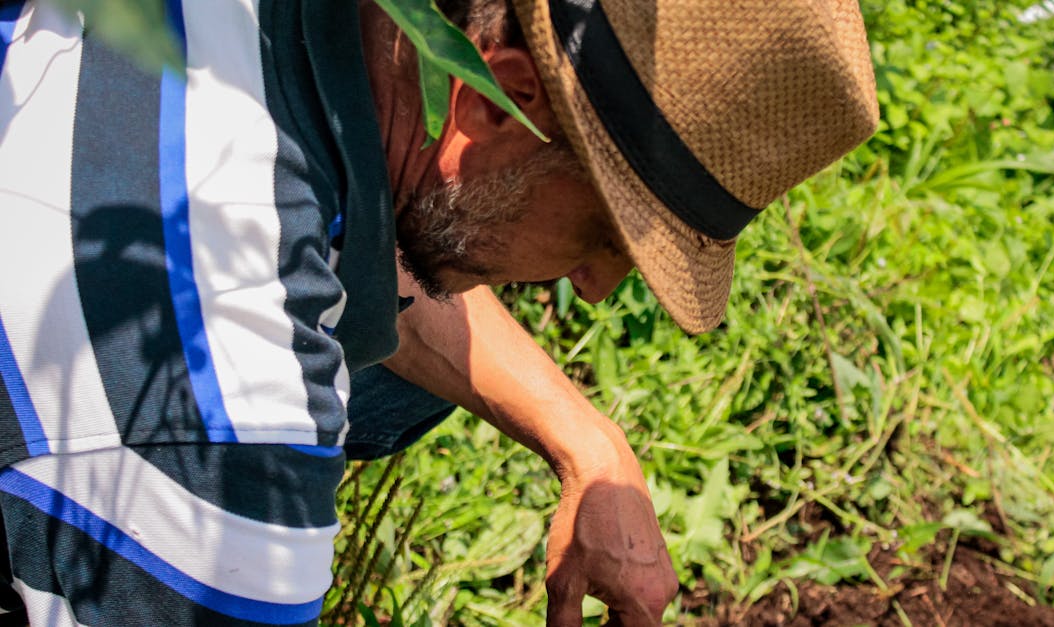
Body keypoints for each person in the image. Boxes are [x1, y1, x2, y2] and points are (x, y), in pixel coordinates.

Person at [0, 0, 876, 625]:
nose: (600, 286)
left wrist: (588, 443)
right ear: (501, 97)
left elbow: (390, 257)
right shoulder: (234, 411)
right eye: (606, 233)